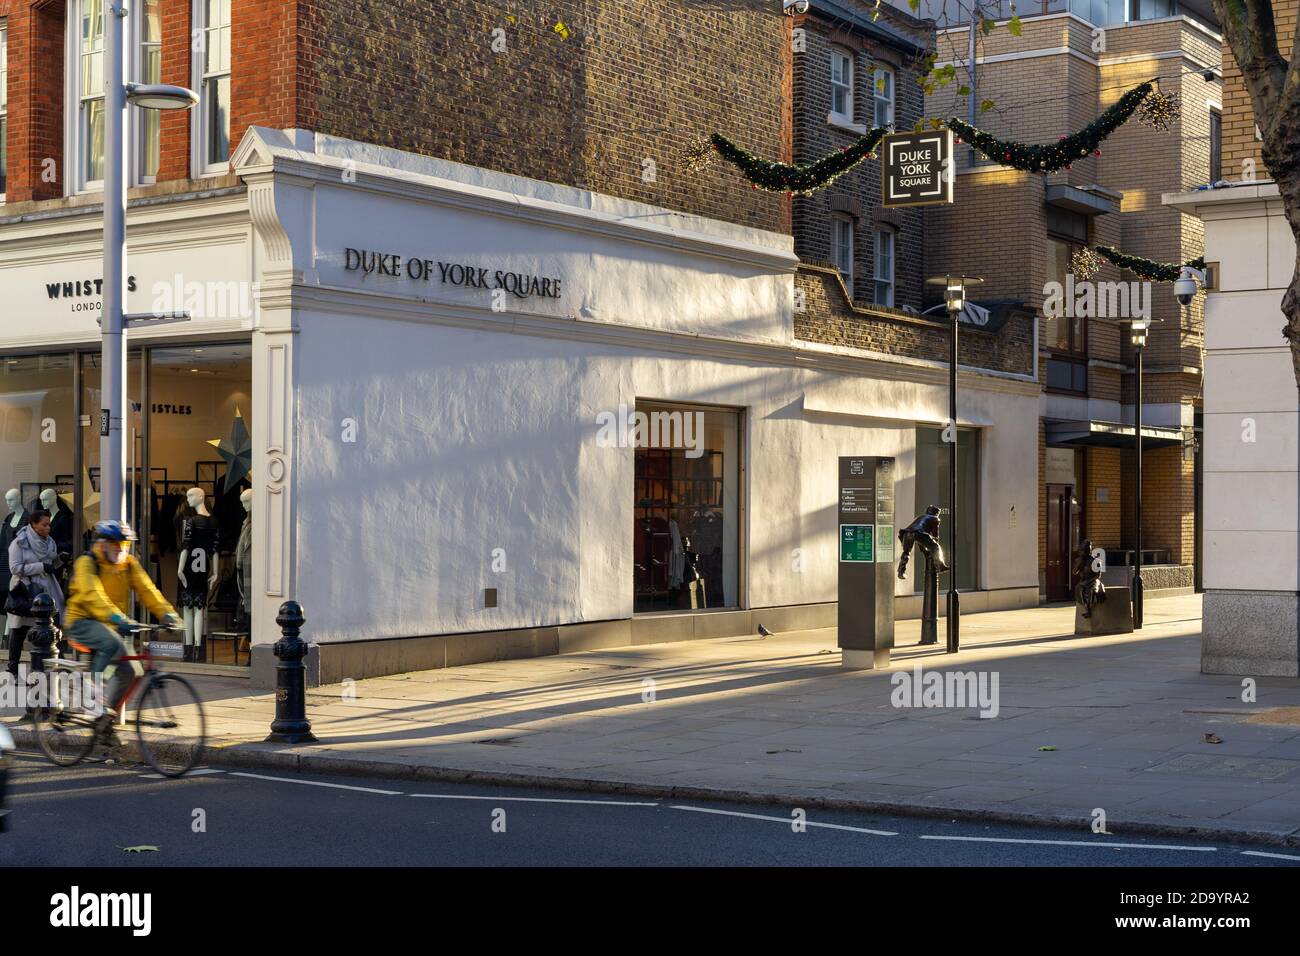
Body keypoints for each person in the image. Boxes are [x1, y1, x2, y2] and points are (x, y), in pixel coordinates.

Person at [63, 520, 180, 740]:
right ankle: (91, 695)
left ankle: (105, 723)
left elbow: (147, 589)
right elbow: (93, 594)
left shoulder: (128, 563)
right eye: (116, 543)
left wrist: (168, 614)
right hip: (81, 621)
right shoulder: (87, 563)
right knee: (112, 643)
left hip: (111, 625)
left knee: (131, 672)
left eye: (124, 544)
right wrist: (118, 617)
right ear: (103, 543)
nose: (121, 548)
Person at [6, 510, 68, 717]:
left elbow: (52, 566)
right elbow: (15, 568)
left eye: (49, 525)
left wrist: (59, 560)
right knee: (20, 629)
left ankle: (55, 664)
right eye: (44, 524)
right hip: (26, 591)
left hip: (45, 592)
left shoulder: (49, 542)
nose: (47, 528)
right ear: (32, 524)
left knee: (51, 628)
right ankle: (12, 668)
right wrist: (42, 565)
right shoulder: (20, 543)